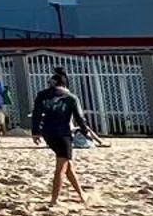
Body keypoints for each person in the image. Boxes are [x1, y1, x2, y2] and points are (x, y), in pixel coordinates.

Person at [30, 69, 101, 205]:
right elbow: (80, 118)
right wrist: (86, 133)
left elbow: (36, 114)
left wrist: (35, 132)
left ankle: (81, 194)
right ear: (64, 84)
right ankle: (54, 200)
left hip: (47, 133)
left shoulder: (42, 95)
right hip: (63, 134)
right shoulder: (71, 97)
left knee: (68, 165)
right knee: (61, 168)